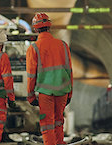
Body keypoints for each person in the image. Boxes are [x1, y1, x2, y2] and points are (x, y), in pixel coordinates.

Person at [26, 12, 72, 145]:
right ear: (49, 26)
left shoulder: (33, 48)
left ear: (35, 28)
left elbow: (31, 75)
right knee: (59, 121)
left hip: (45, 93)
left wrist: (30, 96)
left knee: (47, 124)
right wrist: (70, 93)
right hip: (63, 91)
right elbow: (69, 71)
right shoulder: (62, 45)